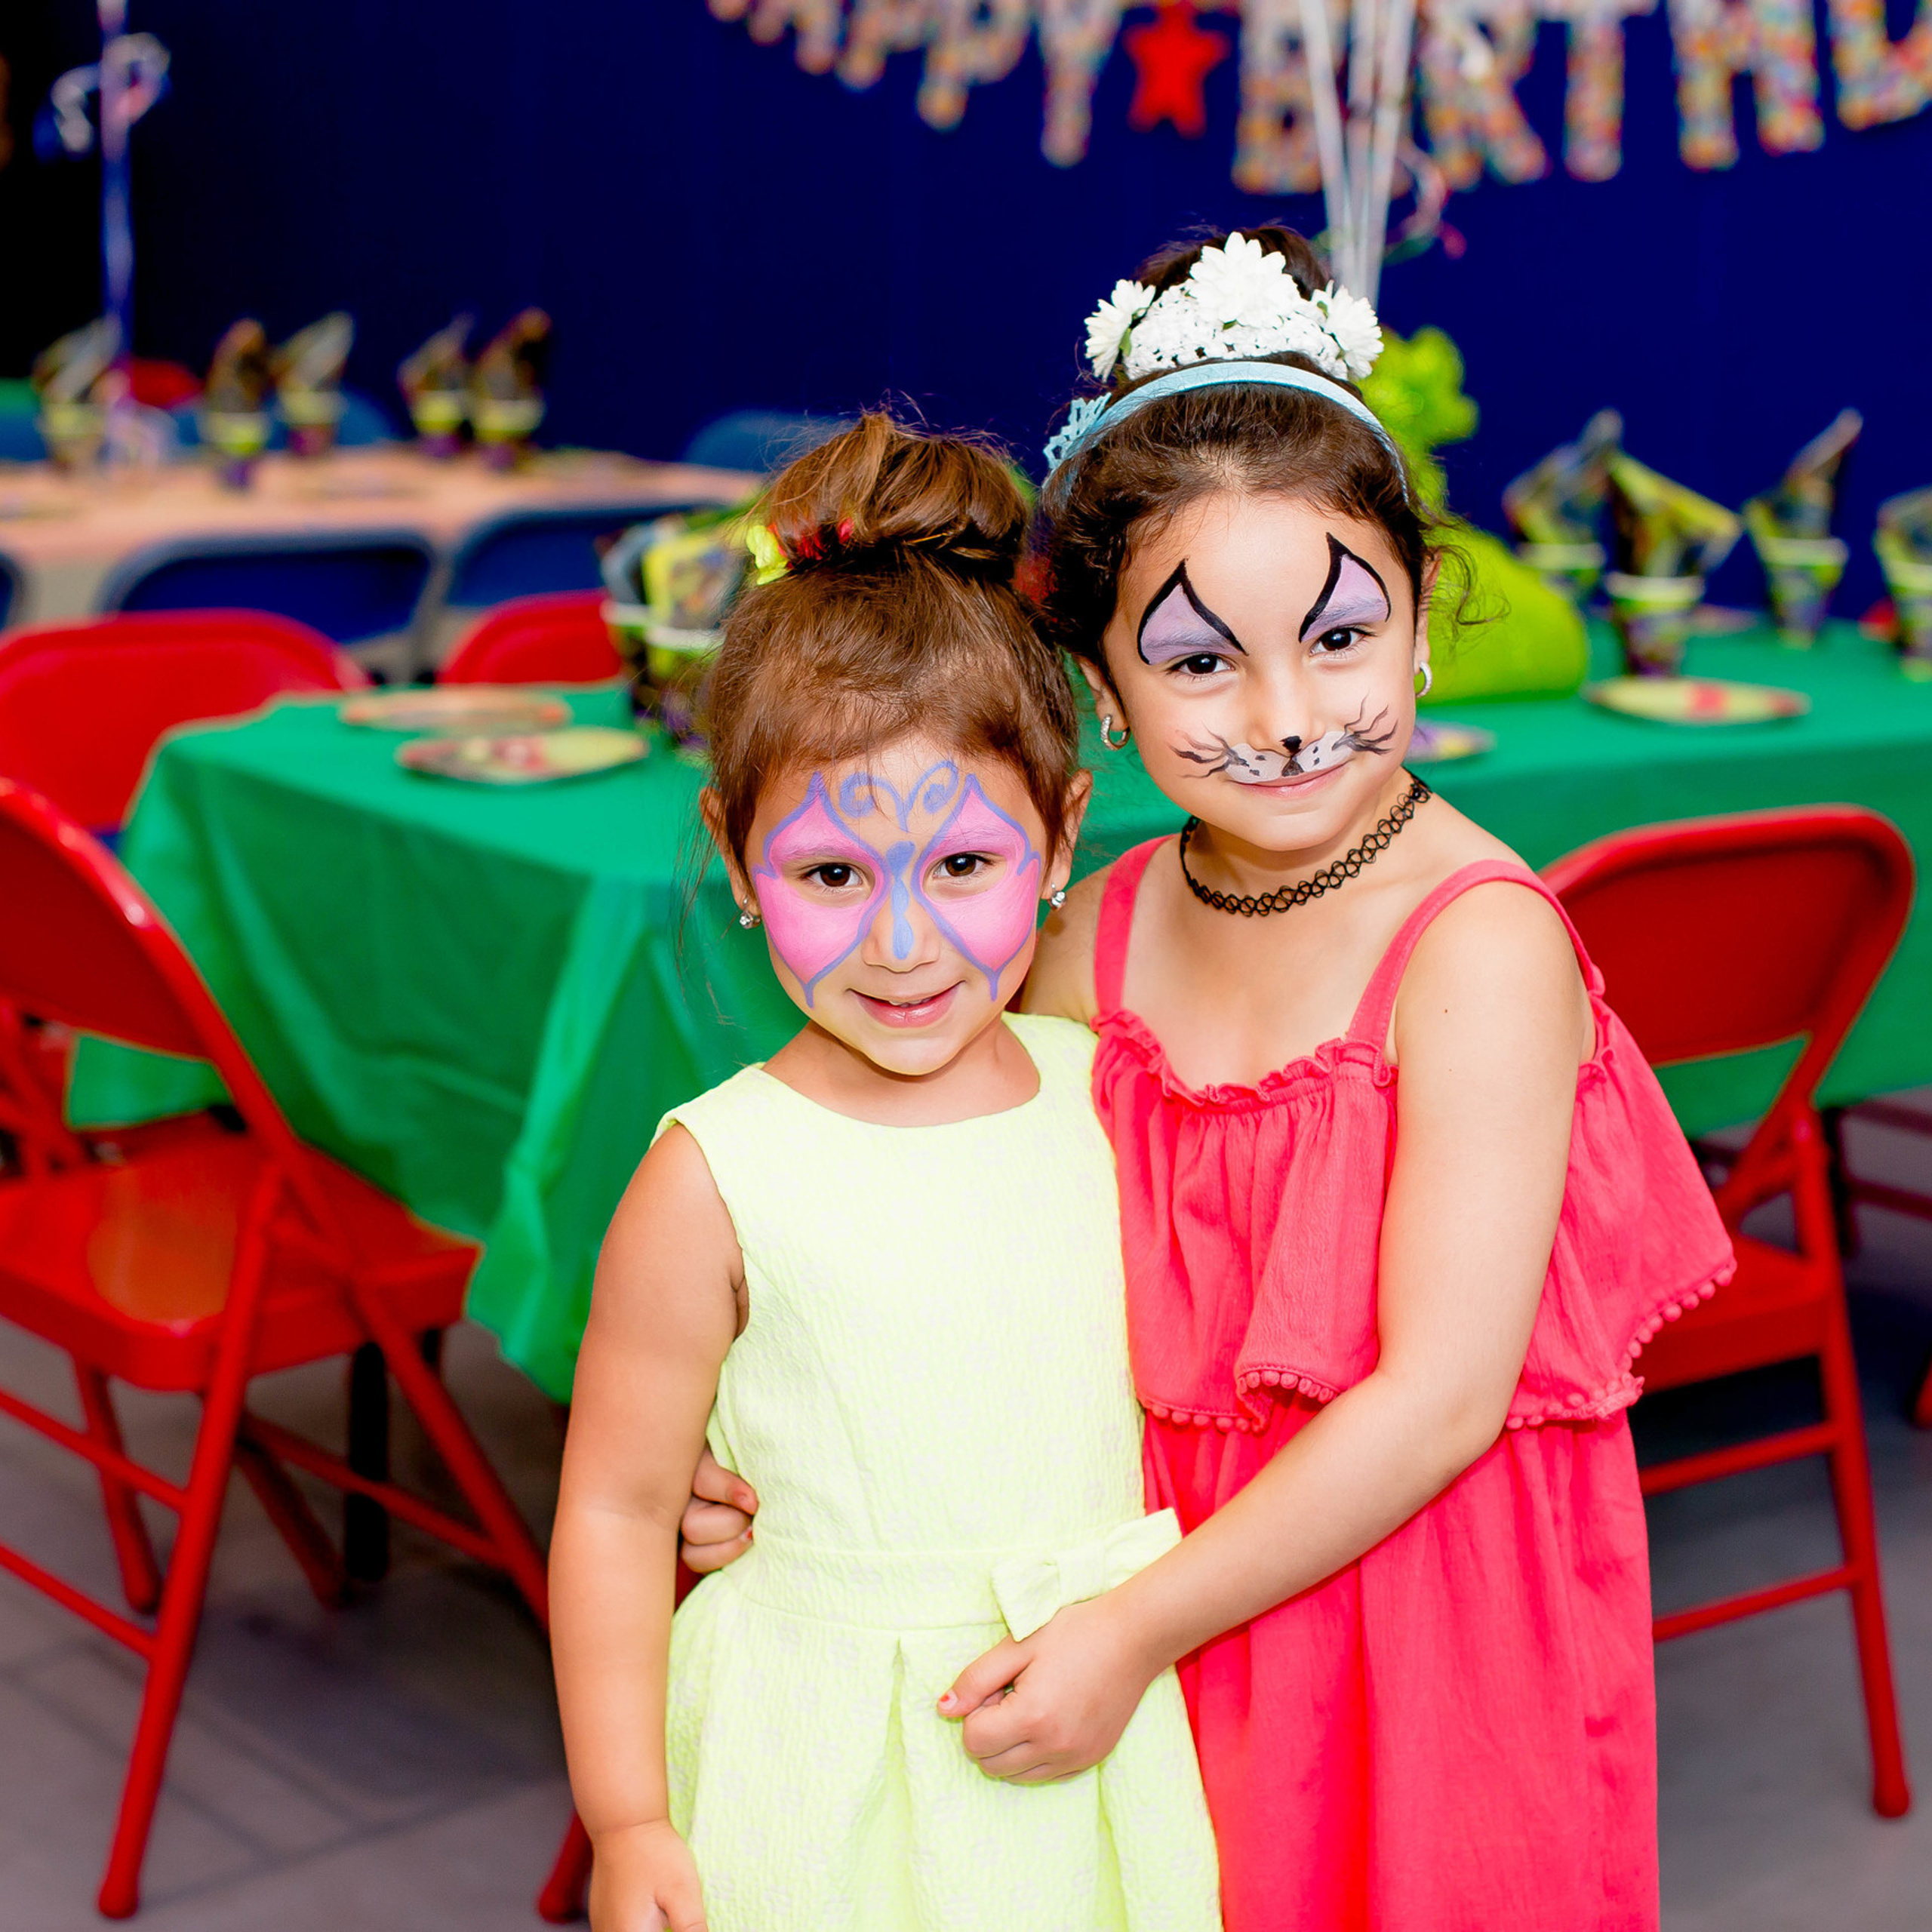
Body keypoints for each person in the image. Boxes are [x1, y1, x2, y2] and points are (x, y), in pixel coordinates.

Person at [679, 229, 1735, 1932]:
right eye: (1195, 660)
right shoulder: (1083, 939)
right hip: (1119, 1585)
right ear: (1098, 681)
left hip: (1408, 1620)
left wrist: (1133, 1628)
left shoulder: (1476, 950)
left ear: (1422, 616)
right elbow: (920, 1222)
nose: (1285, 712)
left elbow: (1440, 1398)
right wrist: (753, 1450)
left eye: (1340, 635)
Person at [548, 414, 1220, 1932]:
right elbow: (615, 1511)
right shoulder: (712, 1177)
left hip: (1088, 1745)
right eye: (832, 873)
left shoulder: (1110, 1092)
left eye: (962, 865)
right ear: (737, 858)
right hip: (807, 1768)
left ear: (1060, 835)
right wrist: (627, 1813)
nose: (902, 942)